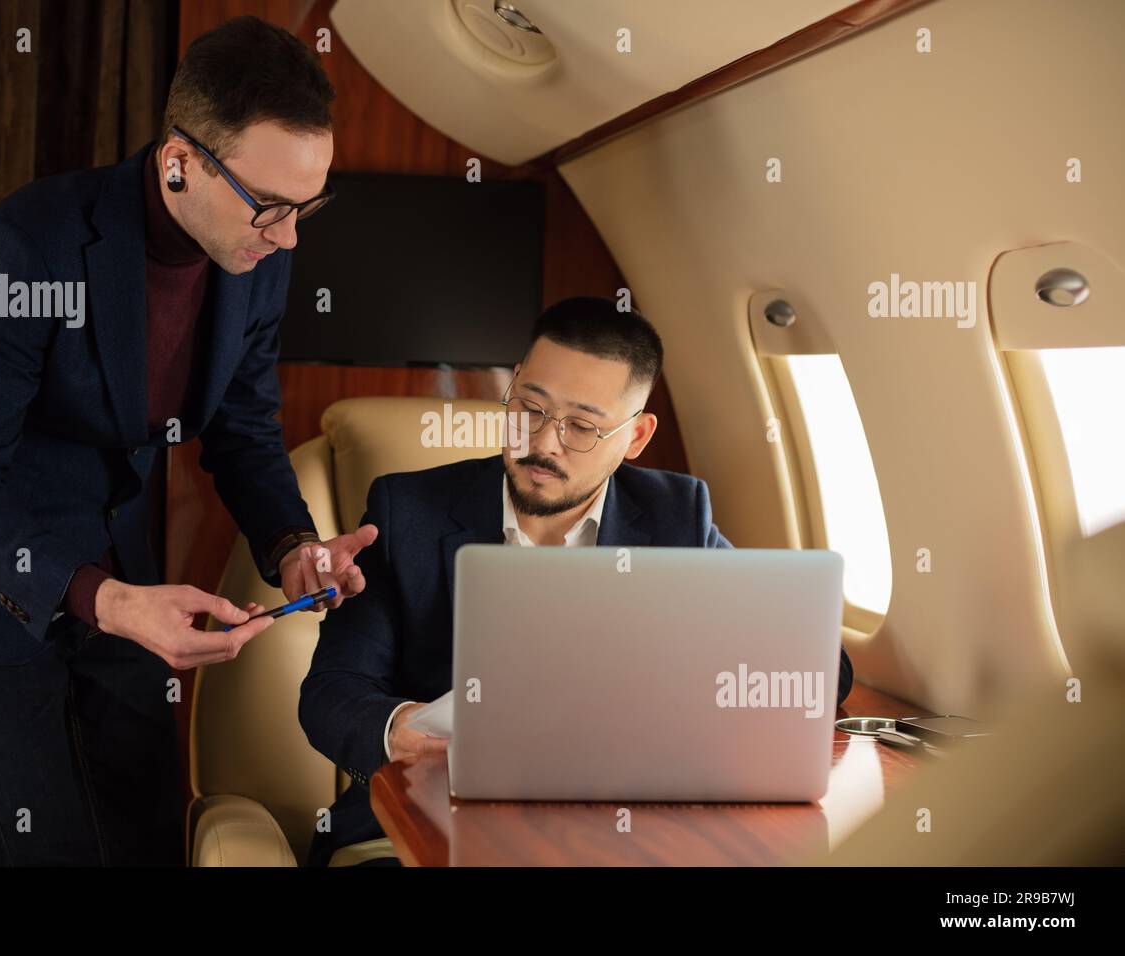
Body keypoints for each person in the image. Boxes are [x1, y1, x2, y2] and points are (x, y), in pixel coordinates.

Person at [0, 16, 374, 865]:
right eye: (274, 207)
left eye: (308, 205)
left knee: (141, 832)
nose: (289, 235)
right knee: (49, 848)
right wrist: (107, 600)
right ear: (180, 162)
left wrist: (291, 545)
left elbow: (243, 425)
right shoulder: (25, 249)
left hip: (121, 574)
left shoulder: (261, 254)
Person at [298, 296, 855, 866]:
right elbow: (330, 693)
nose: (542, 444)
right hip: (424, 823)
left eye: (583, 427)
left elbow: (817, 669)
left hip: (616, 837)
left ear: (636, 438)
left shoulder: (676, 514)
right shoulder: (405, 510)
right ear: (512, 387)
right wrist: (398, 729)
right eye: (530, 409)